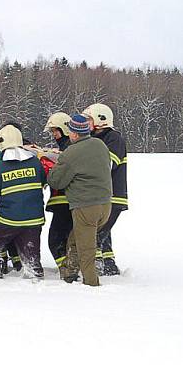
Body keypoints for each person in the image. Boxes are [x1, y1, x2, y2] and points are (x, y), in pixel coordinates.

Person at [47, 114, 112, 287]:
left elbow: (56, 181)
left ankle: (92, 284)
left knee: (86, 250)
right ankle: (70, 274)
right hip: (106, 205)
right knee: (74, 240)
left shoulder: (71, 152)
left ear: (74, 133)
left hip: (86, 207)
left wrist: (53, 168)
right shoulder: (100, 145)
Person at [0, 124, 46, 279]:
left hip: (8, 219)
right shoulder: (36, 163)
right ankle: (35, 274)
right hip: (35, 218)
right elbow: (43, 184)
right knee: (30, 252)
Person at [83, 103, 128, 276]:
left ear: (101, 120)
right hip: (102, 196)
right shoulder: (96, 139)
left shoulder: (113, 138)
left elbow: (107, 165)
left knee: (96, 233)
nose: (86, 124)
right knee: (103, 232)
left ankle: (97, 267)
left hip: (112, 196)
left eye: (89, 120)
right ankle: (109, 265)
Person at [43, 112, 73, 278]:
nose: (53, 134)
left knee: (55, 239)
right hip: (66, 201)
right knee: (66, 238)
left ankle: (66, 269)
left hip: (64, 200)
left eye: (55, 130)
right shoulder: (66, 146)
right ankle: (69, 266)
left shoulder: (67, 147)